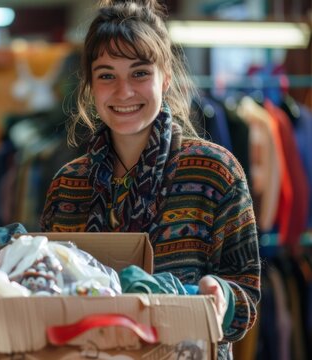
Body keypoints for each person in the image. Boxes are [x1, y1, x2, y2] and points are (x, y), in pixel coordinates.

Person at [40, 1, 260, 359]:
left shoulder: (215, 172)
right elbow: (48, 292)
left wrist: (221, 297)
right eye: (107, 75)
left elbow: (247, 295)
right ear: (91, 86)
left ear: (166, 77)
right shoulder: (68, 185)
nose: (124, 91)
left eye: (140, 73)